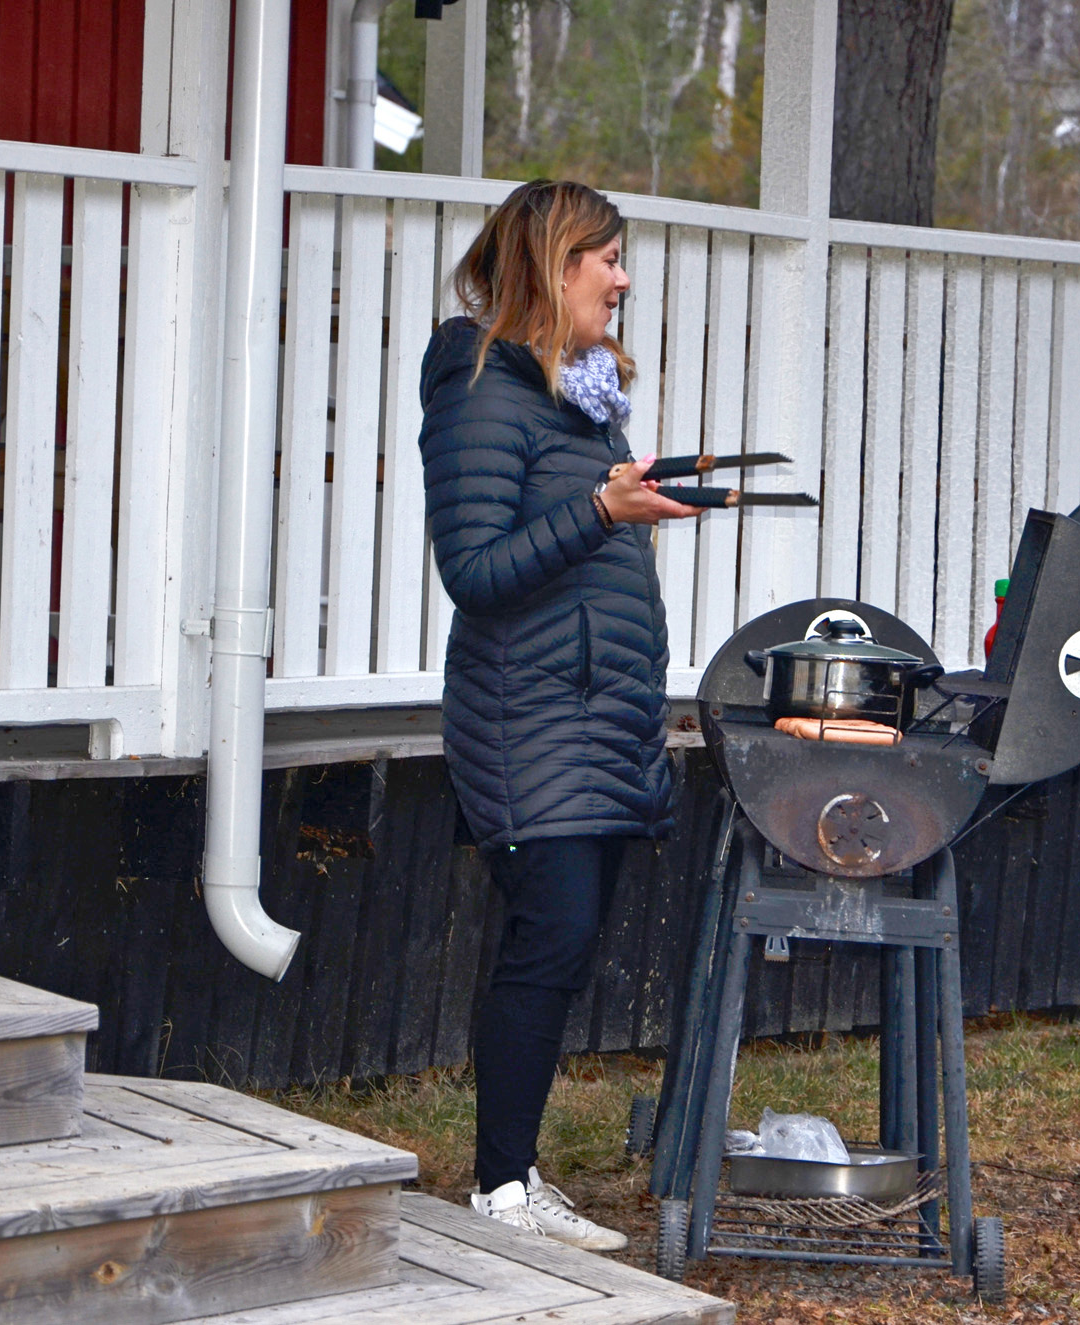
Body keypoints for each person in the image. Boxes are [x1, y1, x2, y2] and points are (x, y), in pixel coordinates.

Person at [418, 180, 699, 1250]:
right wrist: (598, 509)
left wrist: (638, 494)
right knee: (553, 934)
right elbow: (475, 570)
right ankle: (499, 1189)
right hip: (524, 714)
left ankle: (511, 1174)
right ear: (550, 262)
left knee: (564, 942)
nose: (622, 279)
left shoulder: (574, 396)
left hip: (593, 715)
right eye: (606, 258)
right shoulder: (482, 384)